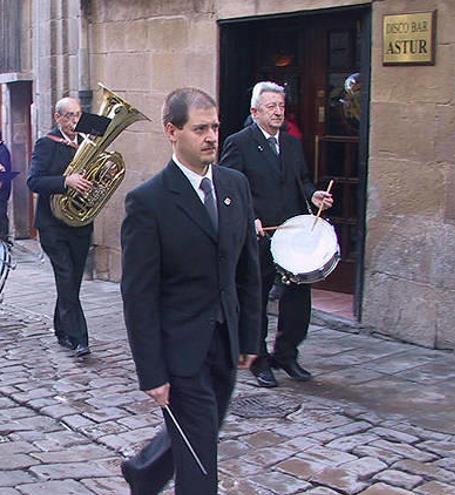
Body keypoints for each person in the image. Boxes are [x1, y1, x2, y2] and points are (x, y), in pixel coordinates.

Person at [119, 87, 261, 494]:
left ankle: (144, 472)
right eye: (200, 129)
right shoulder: (148, 202)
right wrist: (152, 371)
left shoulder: (235, 185)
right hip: (180, 350)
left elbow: (247, 270)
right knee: (201, 456)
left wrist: (251, 335)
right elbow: (139, 295)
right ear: (171, 131)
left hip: (225, 340)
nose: (211, 137)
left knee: (200, 430)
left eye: (215, 127)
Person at [219, 81, 333, 388]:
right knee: (256, 300)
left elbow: (302, 181)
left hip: (292, 234)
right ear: (255, 111)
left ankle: (287, 354)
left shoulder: (293, 143)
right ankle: (259, 360)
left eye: (281, 106)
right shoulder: (238, 143)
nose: (278, 112)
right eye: (271, 107)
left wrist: (314, 196)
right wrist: (248, 217)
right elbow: (229, 187)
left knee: (298, 298)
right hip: (259, 235)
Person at [27, 97, 93, 357]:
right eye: (69, 116)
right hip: (52, 225)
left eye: (77, 115)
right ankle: (80, 339)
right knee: (66, 279)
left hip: (80, 223)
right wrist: (67, 181)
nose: (74, 121)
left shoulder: (87, 145)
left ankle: (61, 328)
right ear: (58, 118)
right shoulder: (46, 144)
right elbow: (34, 181)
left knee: (72, 282)